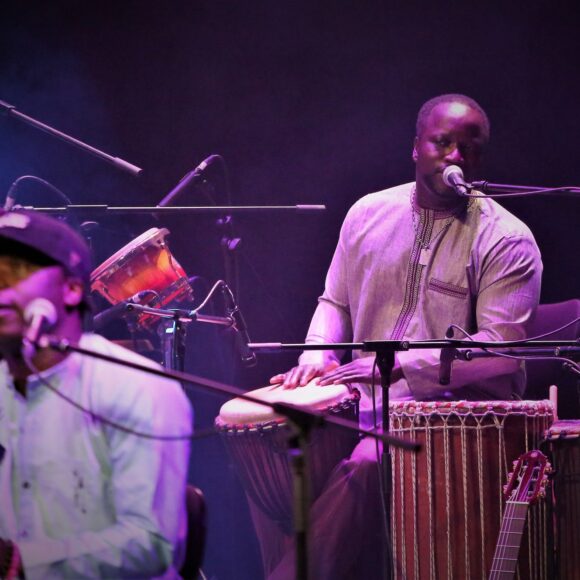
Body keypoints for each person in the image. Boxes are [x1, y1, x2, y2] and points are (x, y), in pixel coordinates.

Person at [260, 94, 543, 578]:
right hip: (362, 399)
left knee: (370, 461)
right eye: (443, 142)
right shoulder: (367, 213)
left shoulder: (506, 238)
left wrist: (401, 368)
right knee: (275, 440)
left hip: (455, 413)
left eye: (469, 148)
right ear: (416, 147)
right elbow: (335, 302)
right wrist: (317, 355)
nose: (456, 156)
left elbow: (502, 348)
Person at [0, 210, 192, 579]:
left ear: (71, 289)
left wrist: (23, 563)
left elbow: (151, 542)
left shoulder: (136, 386)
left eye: (17, 270)